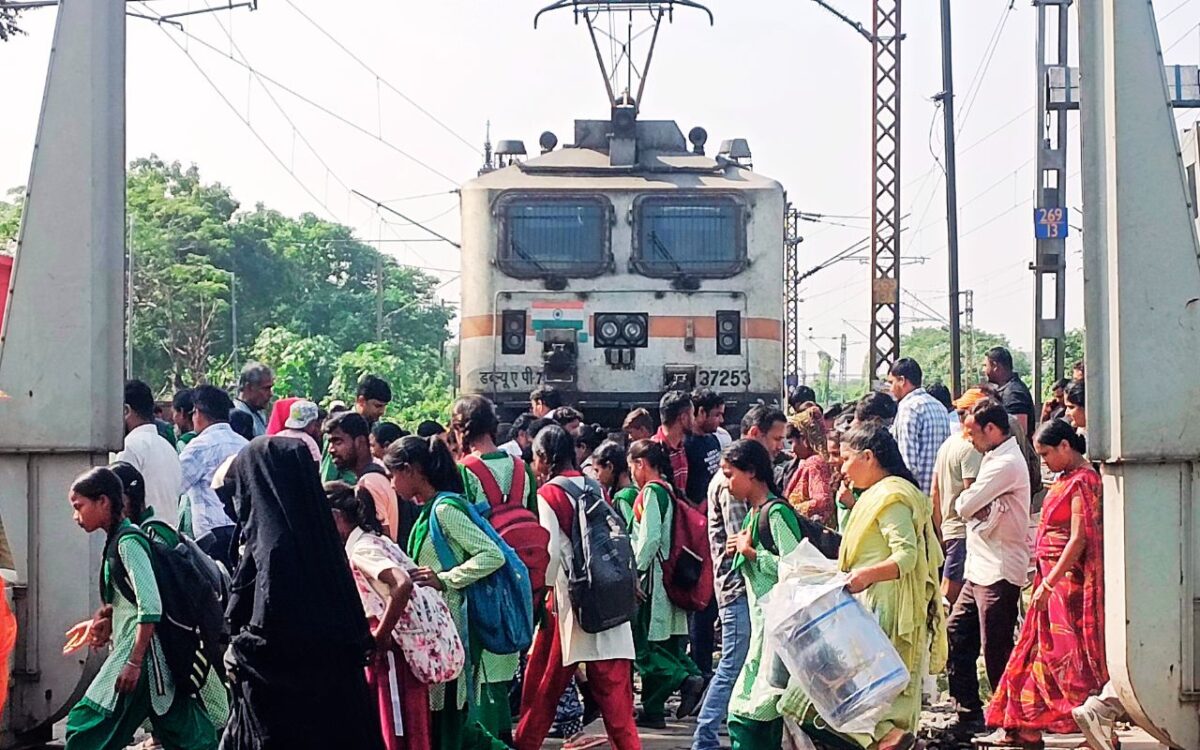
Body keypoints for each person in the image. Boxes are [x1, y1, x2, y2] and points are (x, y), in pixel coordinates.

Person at [222, 438, 383, 750]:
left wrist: (240, 649)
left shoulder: (275, 552)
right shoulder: (322, 541)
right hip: (337, 708)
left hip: (287, 716)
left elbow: (276, 637)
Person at [64, 467, 222, 750]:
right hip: (154, 662)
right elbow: (134, 600)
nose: (76, 516)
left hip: (144, 659)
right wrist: (105, 620)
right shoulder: (121, 540)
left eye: (79, 507)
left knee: (84, 727)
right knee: (188, 735)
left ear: (103, 501)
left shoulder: (128, 542)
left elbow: (150, 606)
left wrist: (134, 662)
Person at [820, 422, 946, 750]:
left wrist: (865, 576)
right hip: (868, 601)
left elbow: (906, 556)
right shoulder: (875, 495)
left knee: (872, 697)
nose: (842, 468)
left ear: (868, 457)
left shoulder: (891, 497)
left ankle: (891, 738)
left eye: (846, 459)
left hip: (885, 607)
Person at [982, 420, 1107, 748]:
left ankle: (1089, 720)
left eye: (1047, 454)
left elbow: (1078, 538)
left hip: (1066, 584)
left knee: (1061, 657)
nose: (1045, 462)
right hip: (1048, 576)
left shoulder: (1084, 480)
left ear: (1066, 446)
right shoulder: (1065, 478)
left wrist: (1049, 583)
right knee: (1035, 651)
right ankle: (1024, 726)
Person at [514, 426, 640, 750]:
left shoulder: (549, 495)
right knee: (615, 696)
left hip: (567, 603)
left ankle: (525, 742)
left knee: (543, 685)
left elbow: (551, 552)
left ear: (543, 459)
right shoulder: (594, 485)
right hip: (606, 596)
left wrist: (539, 593)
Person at [385, 436, 509, 750]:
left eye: (393, 474)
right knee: (455, 726)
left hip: (454, 633)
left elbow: (492, 555)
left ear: (411, 471)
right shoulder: (431, 510)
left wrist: (445, 579)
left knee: (452, 723)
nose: (390, 482)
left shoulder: (445, 510)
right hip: (441, 634)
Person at [692, 406, 786, 750]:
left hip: (744, 588)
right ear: (754, 436)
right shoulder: (733, 486)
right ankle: (705, 737)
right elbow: (740, 542)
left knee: (741, 662)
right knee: (734, 663)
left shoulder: (744, 486)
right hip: (737, 588)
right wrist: (753, 552)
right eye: (775, 439)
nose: (779, 447)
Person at [449, 395, 536, 744]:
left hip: (483, 578)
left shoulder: (464, 472)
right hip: (519, 577)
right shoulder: (521, 469)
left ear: (460, 430)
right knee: (502, 669)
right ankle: (504, 735)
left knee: (480, 674)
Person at [946, 398, 1032, 734]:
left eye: (973, 434)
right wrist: (975, 506)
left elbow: (965, 504)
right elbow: (966, 505)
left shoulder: (1005, 462)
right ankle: (970, 713)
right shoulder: (994, 457)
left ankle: (1012, 724)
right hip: (979, 568)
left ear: (992, 430)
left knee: (996, 650)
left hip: (999, 569)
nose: (969, 441)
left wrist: (975, 506)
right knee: (958, 632)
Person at [326, 481, 430, 750]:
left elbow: (402, 583)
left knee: (393, 727)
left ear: (337, 518)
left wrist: (380, 636)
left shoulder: (362, 549)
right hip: (401, 646)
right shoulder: (376, 539)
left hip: (389, 649)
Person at [723, 439, 804, 750]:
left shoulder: (776, 513)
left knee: (755, 711)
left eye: (730, 474)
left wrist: (753, 554)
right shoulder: (753, 515)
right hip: (763, 627)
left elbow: (797, 567)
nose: (727, 483)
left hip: (778, 628)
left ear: (752, 472)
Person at [628, 439, 704, 729]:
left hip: (654, 581)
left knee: (645, 649)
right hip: (673, 580)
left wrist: (635, 573)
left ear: (641, 464)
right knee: (668, 648)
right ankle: (653, 710)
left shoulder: (651, 493)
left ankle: (686, 680)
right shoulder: (670, 491)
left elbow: (649, 539)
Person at [178, 385, 248, 563]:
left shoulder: (198, 447)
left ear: (199, 412)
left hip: (212, 536)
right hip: (243, 530)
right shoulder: (245, 444)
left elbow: (176, 485)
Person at [684, 389, 724, 691]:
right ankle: (697, 666)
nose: (718, 420)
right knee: (698, 601)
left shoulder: (713, 441)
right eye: (714, 414)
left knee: (708, 603)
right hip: (694, 529)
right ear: (698, 412)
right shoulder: (687, 445)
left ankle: (704, 665)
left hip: (710, 526)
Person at [932, 391, 985, 607]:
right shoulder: (970, 448)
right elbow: (972, 495)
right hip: (963, 532)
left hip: (948, 528)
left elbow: (934, 491)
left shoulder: (948, 443)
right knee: (949, 595)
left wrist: (939, 528)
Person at [328, 411, 401, 545]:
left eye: (338, 442)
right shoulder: (375, 472)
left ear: (360, 442)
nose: (331, 450)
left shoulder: (369, 482)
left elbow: (381, 540)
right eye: (330, 443)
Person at [118, 380, 184, 529]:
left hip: (141, 539)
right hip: (169, 538)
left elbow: (122, 502)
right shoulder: (168, 447)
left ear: (126, 411)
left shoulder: (129, 447)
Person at [888, 358, 952, 496]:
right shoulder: (939, 406)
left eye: (891, 382)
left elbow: (908, 462)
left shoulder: (909, 408)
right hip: (939, 494)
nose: (890, 388)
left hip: (917, 496)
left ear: (902, 380)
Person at [321, 375, 393, 481]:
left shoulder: (376, 429)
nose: (382, 412)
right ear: (361, 401)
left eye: (384, 406)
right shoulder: (339, 428)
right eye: (378, 406)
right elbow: (328, 476)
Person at [780, 405, 833, 525]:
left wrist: (788, 511)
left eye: (791, 442)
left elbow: (823, 501)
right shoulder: (814, 461)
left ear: (804, 439)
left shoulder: (815, 463)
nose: (791, 449)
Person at [685, 388, 725, 506]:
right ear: (702, 412)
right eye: (717, 415)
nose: (721, 420)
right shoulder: (686, 445)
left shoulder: (714, 440)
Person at [983, 347, 1035, 433]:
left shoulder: (1013, 393)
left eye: (985, 365)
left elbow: (1020, 431)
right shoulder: (1007, 389)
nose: (983, 370)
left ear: (995, 366)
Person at [652, 390, 694, 494]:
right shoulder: (653, 452)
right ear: (683, 418)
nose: (694, 420)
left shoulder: (681, 447)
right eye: (693, 414)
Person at [592, 440, 637, 527]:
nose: (596, 476)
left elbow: (632, 530)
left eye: (597, 470)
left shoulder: (623, 498)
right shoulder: (635, 490)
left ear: (610, 467)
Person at [232, 362, 274, 438]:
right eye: (266, 389)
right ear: (248, 387)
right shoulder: (237, 417)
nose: (271, 394)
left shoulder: (258, 412)